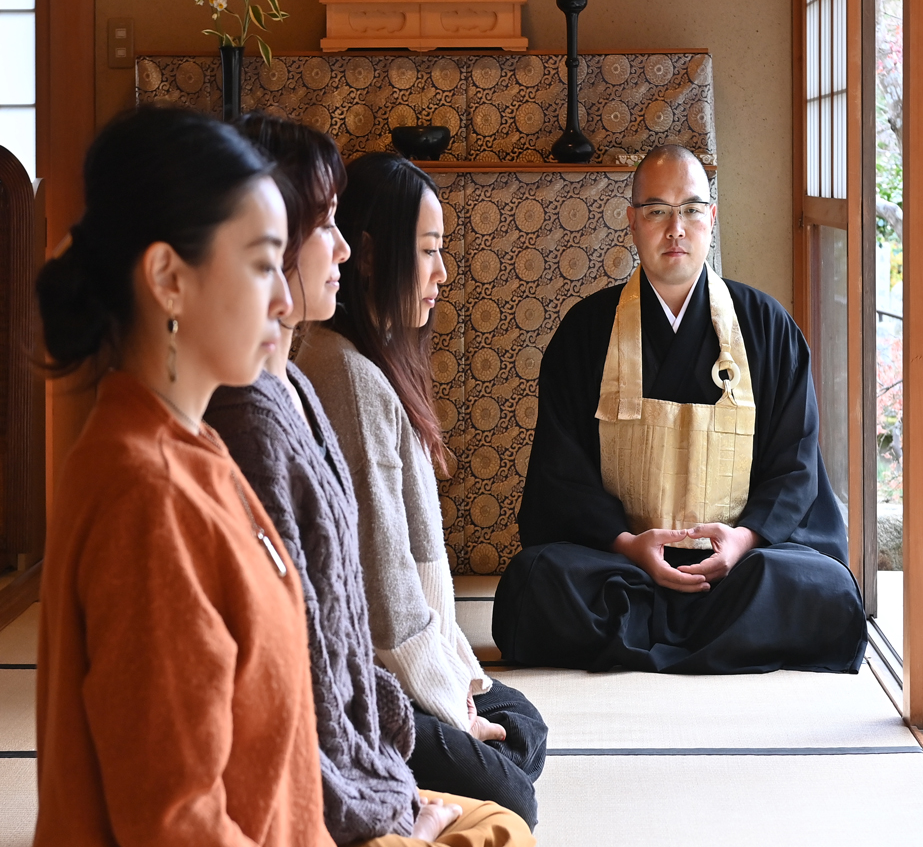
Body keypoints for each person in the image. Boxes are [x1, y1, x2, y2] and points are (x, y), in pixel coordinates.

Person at [203, 117, 534, 847]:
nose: (344, 251)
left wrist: (446, 696)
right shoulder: (317, 385)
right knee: (511, 787)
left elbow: (343, 624)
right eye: (327, 225)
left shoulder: (298, 376)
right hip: (338, 717)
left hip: (362, 694)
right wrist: (394, 783)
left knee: (517, 736)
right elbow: (342, 621)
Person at [31, 106, 338, 846]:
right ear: (169, 277)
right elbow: (177, 823)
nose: (284, 299)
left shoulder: (186, 445)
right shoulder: (148, 493)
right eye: (263, 263)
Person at [492, 144, 868, 675]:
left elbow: (795, 462)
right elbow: (562, 470)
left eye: (691, 209)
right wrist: (627, 544)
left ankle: (646, 633)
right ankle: (720, 637)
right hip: (623, 565)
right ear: (631, 221)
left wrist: (741, 542)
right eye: (657, 211)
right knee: (533, 582)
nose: (676, 229)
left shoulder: (767, 325)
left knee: (824, 589)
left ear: (711, 219)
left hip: (736, 565)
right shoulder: (586, 331)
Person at [296, 152, 547, 827]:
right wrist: (450, 705)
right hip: (365, 674)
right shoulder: (346, 374)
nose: (442, 274)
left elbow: (413, 574)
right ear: (372, 256)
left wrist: (462, 683)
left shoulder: (361, 357)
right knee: (512, 780)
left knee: (520, 722)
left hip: (393, 661)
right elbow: (384, 589)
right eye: (429, 252)